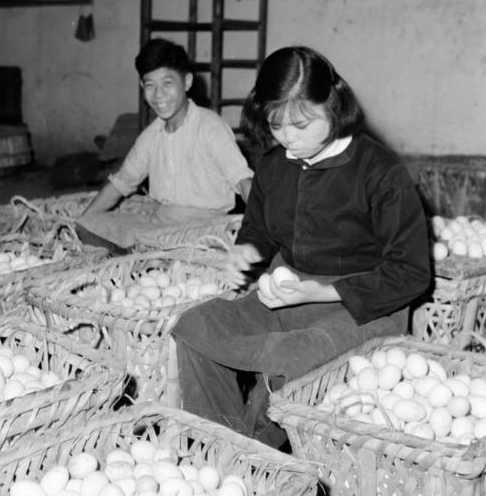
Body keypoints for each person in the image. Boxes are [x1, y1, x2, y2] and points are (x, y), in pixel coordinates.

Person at [170, 45, 431, 449]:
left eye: (302, 125)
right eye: (277, 126)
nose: (289, 139)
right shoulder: (275, 165)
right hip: (289, 293)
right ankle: (218, 447)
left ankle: (259, 462)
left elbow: (411, 273)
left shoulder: (380, 172)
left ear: (334, 106)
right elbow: (258, 230)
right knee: (196, 327)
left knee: (290, 362)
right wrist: (247, 254)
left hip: (363, 307)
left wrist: (322, 291)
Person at [78, 38, 253, 248]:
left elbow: (242, 181)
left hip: (207, 227)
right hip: (160, 225)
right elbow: (121, 183)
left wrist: (265, 230)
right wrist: (82, 223)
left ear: (187, 82)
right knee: (93, 224)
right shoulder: (151, 136)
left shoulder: (210, 127)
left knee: (148, 241)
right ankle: (147, 254)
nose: (158, 95)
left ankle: (149, 255)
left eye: (167, 83)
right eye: (150, 85)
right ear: (142, 86)